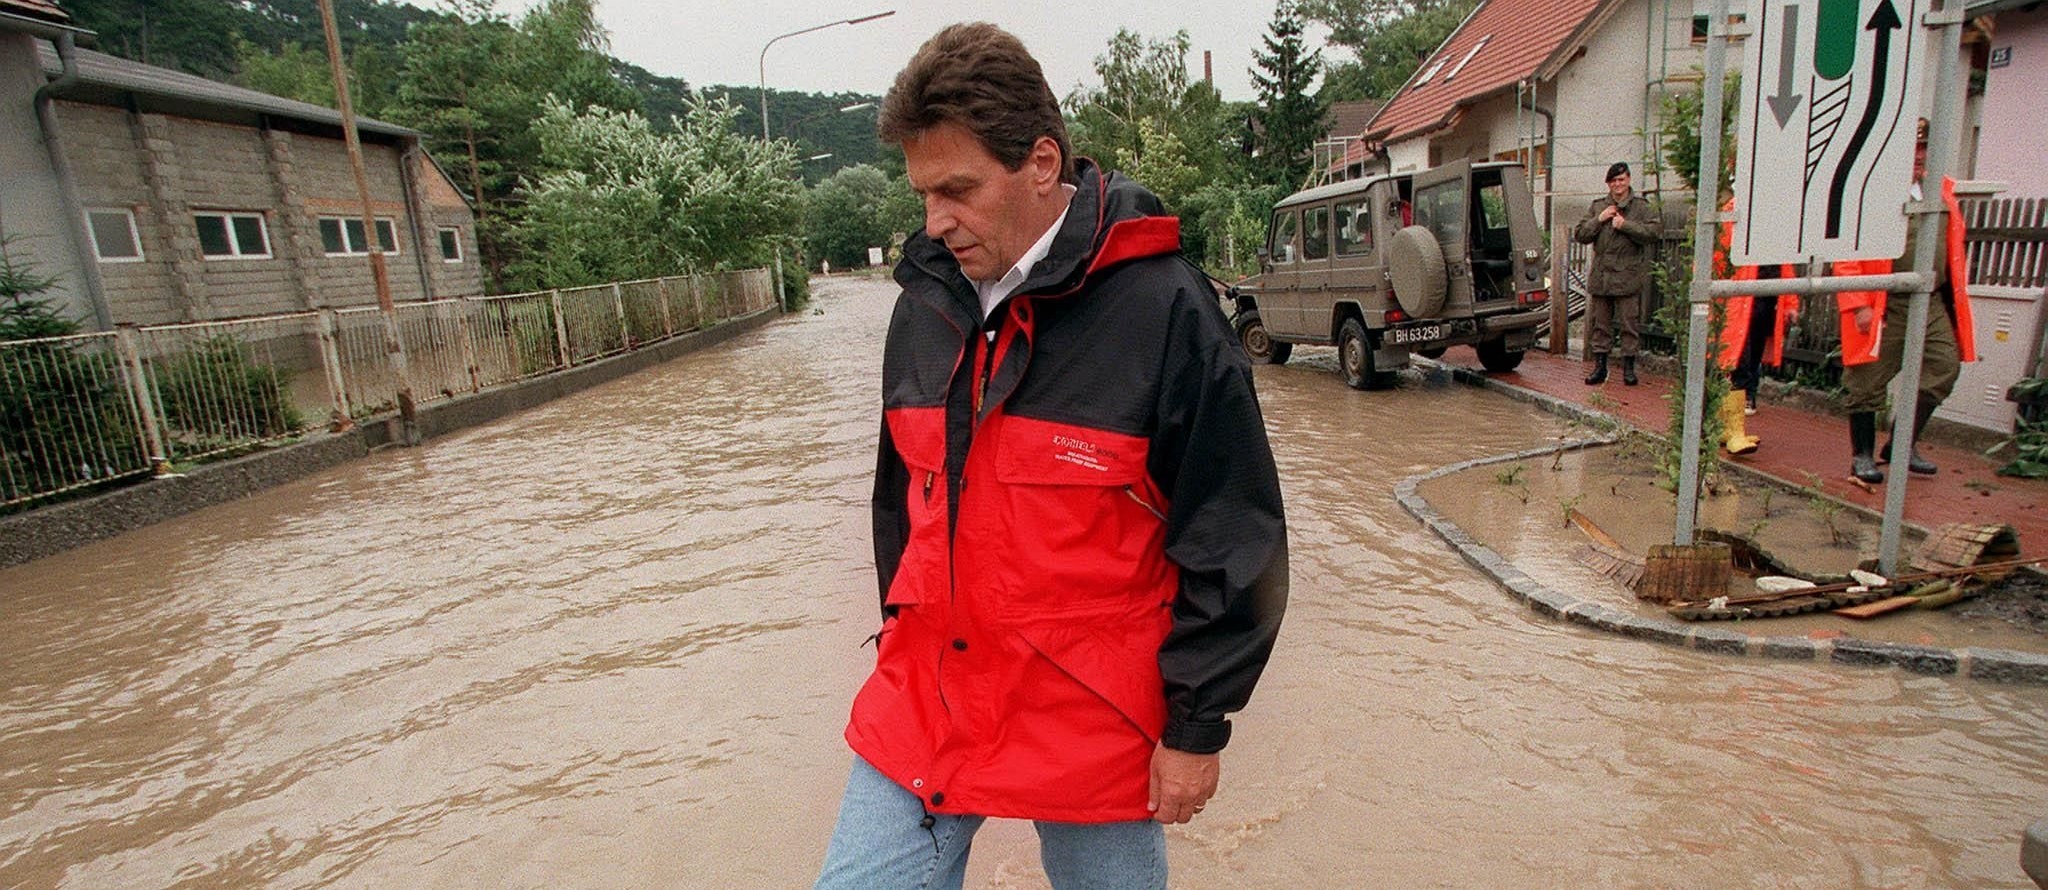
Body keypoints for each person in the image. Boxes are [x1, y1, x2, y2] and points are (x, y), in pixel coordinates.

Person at [814, 23, 1289, 890]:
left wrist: (1194, 726)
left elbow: (1234, 533)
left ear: (1040, 162)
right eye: (923, 193)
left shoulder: (1162, 307)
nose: (934, 221)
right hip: (930, 696)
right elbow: (902, 507)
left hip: (1092, 715)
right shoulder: (924, 302)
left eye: (957, 189)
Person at [1831, 121, 1977, 483]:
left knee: (1944, 366)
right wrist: (1859, 302)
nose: (1919, 156)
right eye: (1912, 149)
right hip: (1884, 300)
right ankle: (1862, 456)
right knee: (1867, 379)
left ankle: (1901, 444)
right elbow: (1845, 250)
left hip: (1929, 299)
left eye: (1924, 149)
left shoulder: (1940, 191)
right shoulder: (1870, 191)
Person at [1712, 196, 1798, 455]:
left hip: (1765, 304)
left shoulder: (1773, 215)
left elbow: (1784, 263)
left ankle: (1730, 428)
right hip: (1740, 306)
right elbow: (1717, 259)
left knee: (1750, 362)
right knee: (1737, 363)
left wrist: (1791, 300)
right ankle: (1733, 431)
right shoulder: (1731, 213)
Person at [1574, 161, 1661, 386]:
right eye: (1613, 181)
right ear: (1608, 184)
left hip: (1627, 276)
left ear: (1629, 180)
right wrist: (1600, 219)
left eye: (1621, 180)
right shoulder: (1598, 206)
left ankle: (1629, 369)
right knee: (1600, 324)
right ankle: (1600, 367)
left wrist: (1626, 226)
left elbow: (1653, 232)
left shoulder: (1641, 207)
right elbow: (1581, 234)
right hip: (1602, 276)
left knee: (1628, 324)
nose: (1617, 185)